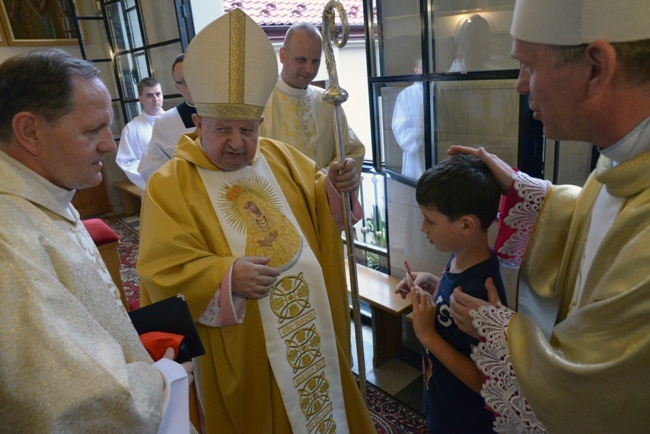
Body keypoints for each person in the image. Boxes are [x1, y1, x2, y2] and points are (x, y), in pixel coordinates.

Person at [136, 10, 375, 434]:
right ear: (198, 123)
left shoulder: (280, 158)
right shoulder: (169, 185)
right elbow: (161, 271)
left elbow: (320, 204)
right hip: (241, 345)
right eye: (223, 129)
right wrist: (225, 277)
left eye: (246, 130)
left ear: (260, 125)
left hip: (308, 330)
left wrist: (337, 186)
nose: (236, 142)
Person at [447, 0, 650, 432]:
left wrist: (503, 335)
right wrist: (522, 189)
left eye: (530, 66)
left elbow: (593, 389)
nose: (521, 85)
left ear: (596, 67)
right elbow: (598, 214)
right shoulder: (621, 160)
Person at [0, 49, 195, 433]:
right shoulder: (10, 240)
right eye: (92, 130)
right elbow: (67, 400)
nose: (109, 144)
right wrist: (160, 379)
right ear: (30, 131)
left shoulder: (44, 193)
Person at [394, 155, 507, 433]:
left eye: (430, 221)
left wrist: (426, 334)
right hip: (442, 400)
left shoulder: (481, 291)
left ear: (466, 226)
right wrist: (433, 282)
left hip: (464, 419)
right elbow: (451, 294)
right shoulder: (461, 258)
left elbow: (484, 381)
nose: (423, 228)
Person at [259, 22, 365, 175]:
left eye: (315, 61)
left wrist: (332, 175)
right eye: (301, 60)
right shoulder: (260, 103)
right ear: (283, 55)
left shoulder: (328, 103)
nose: (310, 69)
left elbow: (352, 152)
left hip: (323, 196)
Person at [138, 54, 196, 184]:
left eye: (196, 77)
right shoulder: (165, 122)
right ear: (178, 87)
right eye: (185, 81)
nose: (193, 85)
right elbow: (148, 168)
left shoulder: (228, 111)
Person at [115, 77, 165, 190]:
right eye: (149, 95)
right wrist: (154, 177)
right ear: (140, 99)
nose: (155, 99)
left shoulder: (176, 120)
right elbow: (126, 162)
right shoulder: (131, 129)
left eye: (158, 94)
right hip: (153, 186)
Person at [391, 58, 425, 179]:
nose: (425, 70)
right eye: (422, 67)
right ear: (416, 70)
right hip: (415, 155)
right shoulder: (406, 95)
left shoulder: (437, 90)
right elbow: (399, 128)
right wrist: (421, 134)